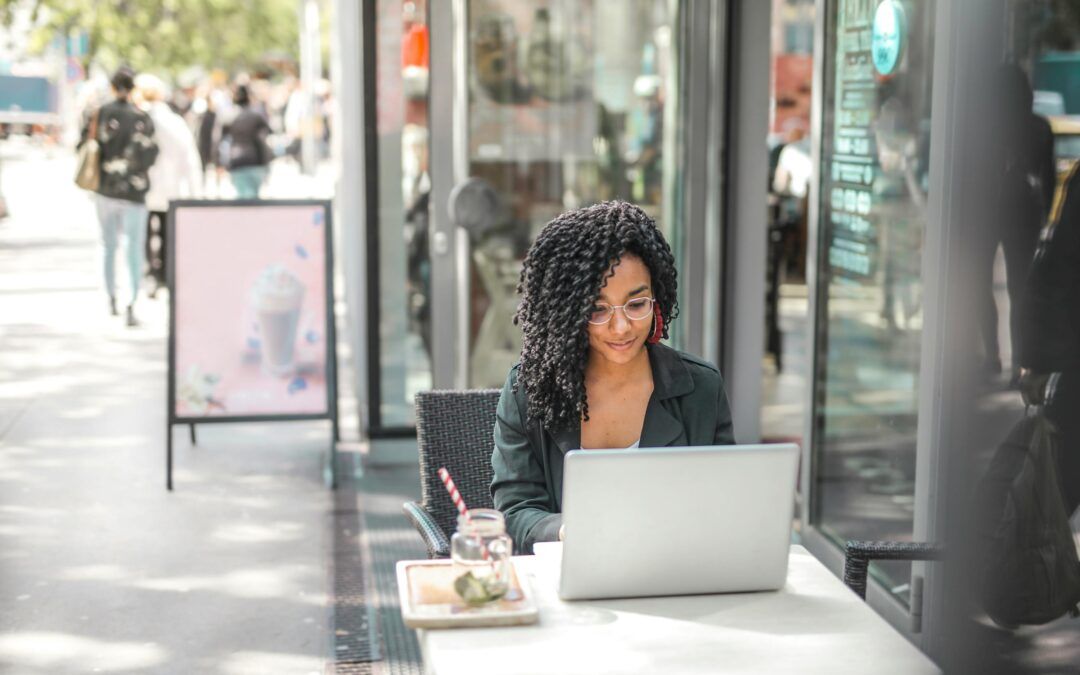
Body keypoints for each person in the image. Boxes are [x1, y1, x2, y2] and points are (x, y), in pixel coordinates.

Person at [490, 201, 735, 553]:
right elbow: (515, 511)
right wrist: (564, 530)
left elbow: (724, 505)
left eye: (636, 305)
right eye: (597, 309)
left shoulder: (700, 389)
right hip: (567, 579)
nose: (620, 328)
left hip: (676, 573)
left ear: (658, 300)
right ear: (568, 312)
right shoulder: (528, 390)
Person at [79, 66, 159, 326]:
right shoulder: (142, 117)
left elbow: (85, 145)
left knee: (108, 244)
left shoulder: (100, 113)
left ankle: (110, 295)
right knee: (133, 247)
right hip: (134, 191)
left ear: (113, 87)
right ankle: (131, 300)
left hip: (105, 188)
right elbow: (151, 155)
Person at [135, 74, 202, 297]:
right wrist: (194, 190)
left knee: (144, 232)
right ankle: (163, 273)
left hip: (143, 187)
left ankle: (149, 273)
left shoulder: (138, 118)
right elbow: (189, 156)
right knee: (166, 231)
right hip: (170, 186)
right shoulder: (173, 120)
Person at [220, 84, 272, 199]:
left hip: (238, 161)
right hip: (254, 160)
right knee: (252, 199)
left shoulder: (229, 116)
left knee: (243, 199)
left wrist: (220, 162)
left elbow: (221, 141)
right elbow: (264, 138)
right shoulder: (256, 116)